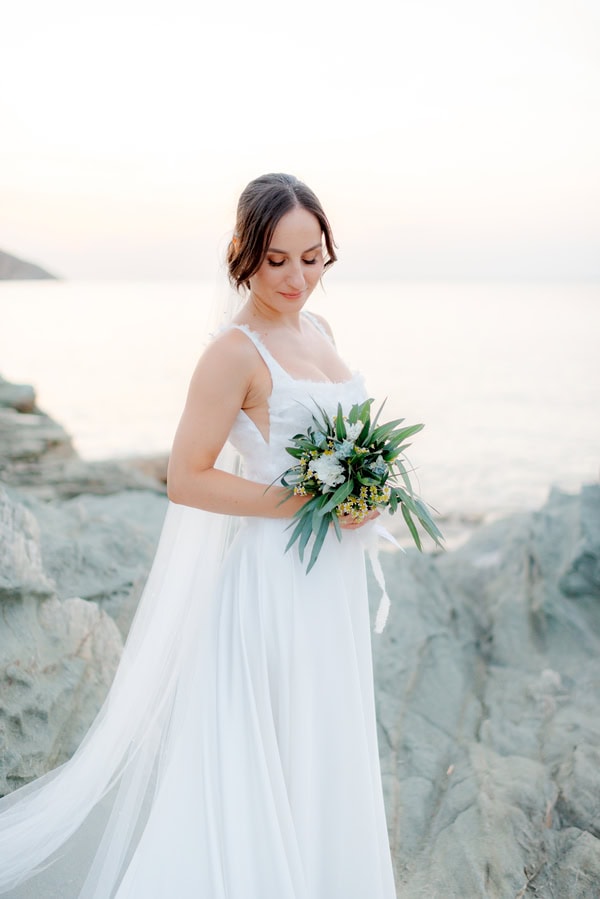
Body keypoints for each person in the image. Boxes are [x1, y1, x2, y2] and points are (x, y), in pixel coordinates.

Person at [0, 173, 397, 898]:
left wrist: (366, 494)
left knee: (324, 735)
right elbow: (186, 477)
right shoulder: (232, 354)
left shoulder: (320, 331)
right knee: (274, 742)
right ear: (243, 253)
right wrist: (309, 500)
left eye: (312, 258)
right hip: (276, 580)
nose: (297, 277)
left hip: (332, 581)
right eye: (277, 260)